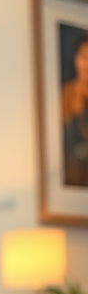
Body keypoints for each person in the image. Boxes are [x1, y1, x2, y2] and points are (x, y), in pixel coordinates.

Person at [61, 34, 88, 186]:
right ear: (75, 58)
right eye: (83, 56)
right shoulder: (65, 95)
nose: (87, 63)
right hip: (72, 172)